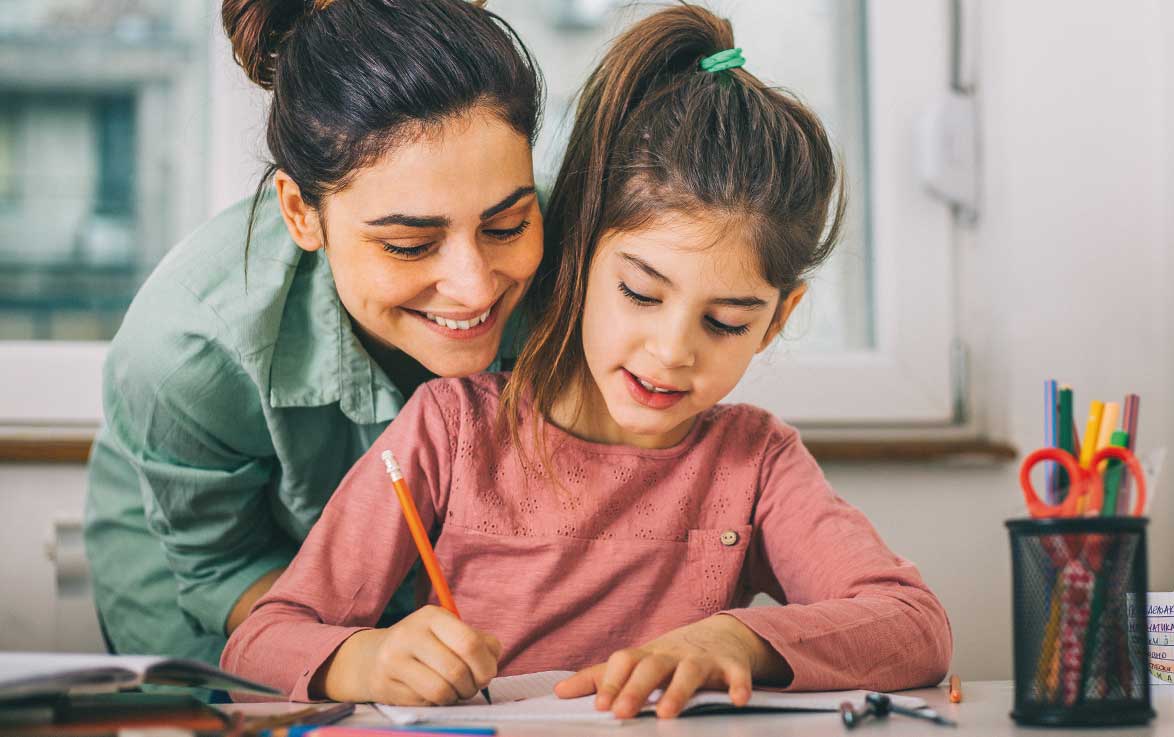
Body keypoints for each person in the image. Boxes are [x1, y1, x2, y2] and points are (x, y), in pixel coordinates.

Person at [222, 5, 952, 718]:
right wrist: (364, 659)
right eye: (639, 292)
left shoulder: (754, 462)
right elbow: (259, 639)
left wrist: (736, 638)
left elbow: (914, 625)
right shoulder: (452, 430)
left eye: (726, 321)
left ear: (776, 321)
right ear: (576, 255)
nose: (672, 351)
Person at [84, 0, 544, 666]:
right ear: (303, 213)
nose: (474, 286)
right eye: (410, 244)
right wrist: (356, 656)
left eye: (506, 226)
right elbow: (222, 567)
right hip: (218, 576)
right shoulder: (187, 349)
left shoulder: (592, 264)